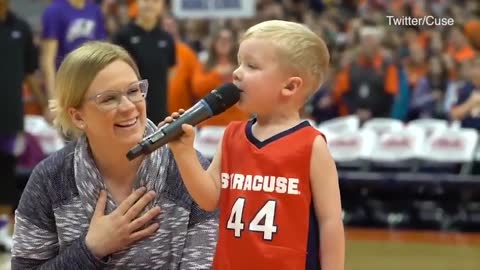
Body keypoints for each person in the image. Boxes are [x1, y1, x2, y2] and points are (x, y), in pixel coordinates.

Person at [11, 41, 218, 268]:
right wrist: (91, 249)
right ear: (78, 117)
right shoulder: (50, 179)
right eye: (109, 99)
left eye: (133, 91)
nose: (129, 107)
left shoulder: (191, 170)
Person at [167, 20, 345, 270]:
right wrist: (183, 152)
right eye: (239, 63)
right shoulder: (231, 135)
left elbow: (330, 222)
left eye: (251, 66)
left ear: (290, 86)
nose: (237, 73)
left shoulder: (312, 145)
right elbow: (209, 199)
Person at [0, 0, 43, 252]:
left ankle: (3, 230)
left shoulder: (22, 28)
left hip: (10, 117)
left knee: (6, 173)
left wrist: (43, 104)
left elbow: (29, 72)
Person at [113, 0, 176, 124]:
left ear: (162, 6)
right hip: (130, 109)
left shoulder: (166, 39)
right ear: (137, 3)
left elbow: (171, 71)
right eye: (146, 0)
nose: (150, 4)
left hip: (159, 110)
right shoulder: (123, 36)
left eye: (155, 1)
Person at [41, 0, 107, 100]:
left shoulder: (94, 9)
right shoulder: (54, 11)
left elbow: (103, 51)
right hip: (67, 82)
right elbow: (48, 59)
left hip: (92, 80)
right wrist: (52, 98)